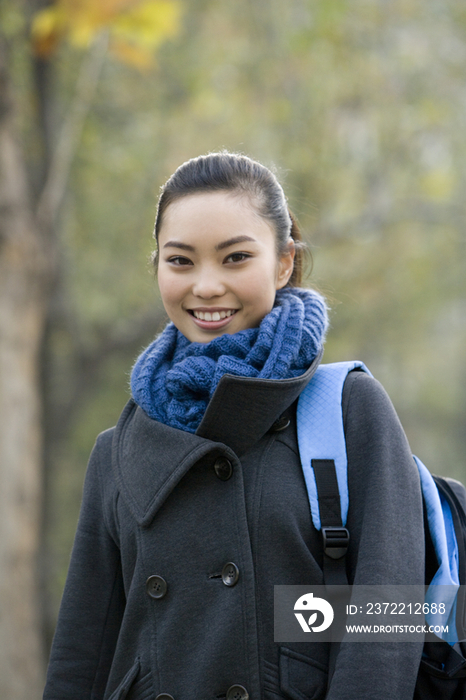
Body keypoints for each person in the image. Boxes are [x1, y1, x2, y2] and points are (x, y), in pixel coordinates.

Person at [43, 152, 424, 700]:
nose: (206, 286)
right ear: (157, 268)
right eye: (180, 261)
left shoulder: (345, 409)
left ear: (284, 263)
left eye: (235, 258)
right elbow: (82, 655)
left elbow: (388, 622)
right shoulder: (119, 451)